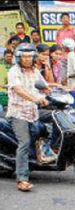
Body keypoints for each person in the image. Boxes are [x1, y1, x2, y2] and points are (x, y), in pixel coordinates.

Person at [6, 43, 51, 191]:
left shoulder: (35, 71)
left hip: (33, 112)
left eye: (30, 56)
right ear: (19, 57)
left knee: (47, 128)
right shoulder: (14, 71)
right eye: (24, 56)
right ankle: (22, 179)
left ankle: (43, 155)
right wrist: (35, 99)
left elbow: (43, 85)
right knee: (24, 142)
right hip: (18, 113)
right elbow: (18, 89)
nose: (27, 59)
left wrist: (51, 88)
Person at [62, 38, 75, 104]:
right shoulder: (73, 55)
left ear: (66, 48)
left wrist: (67, 77)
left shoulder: (71, 56)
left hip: (74, 88)